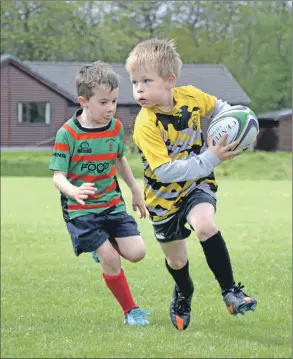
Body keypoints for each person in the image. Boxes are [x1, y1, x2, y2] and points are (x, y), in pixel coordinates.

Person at [125, 38, 257, 331]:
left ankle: (231, 292)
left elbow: (223, 108)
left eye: (147, 80)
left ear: (170, 81)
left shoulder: (193, 97)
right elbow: (166, 171)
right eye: (134, 82)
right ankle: (184, 292)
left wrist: (237, 130)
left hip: (197, 184)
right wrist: (212, 157)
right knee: (177, 261)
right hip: (162, 198)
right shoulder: (145, 124)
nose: (139, 89)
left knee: (205, 225)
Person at [49, 61, 151, 326]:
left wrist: (135, 191)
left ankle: (103, 246)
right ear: (83, 101)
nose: (110, 108)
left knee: (138, 252)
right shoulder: (67, 133)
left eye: (114, 101)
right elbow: (57, 176)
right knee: (111, 258)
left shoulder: (115, 127)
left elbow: (120, 160)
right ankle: (131, 311)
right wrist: (74, 190)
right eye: (103, 102)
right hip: (81, 210)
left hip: (112, 204)